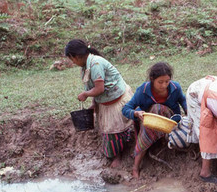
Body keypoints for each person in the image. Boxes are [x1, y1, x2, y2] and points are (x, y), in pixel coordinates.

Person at [65, 39, 134, 168]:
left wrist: (85, 95)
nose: (73, 62)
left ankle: (119, 155)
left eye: (72, 59)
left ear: (76, 56)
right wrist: (94, 104)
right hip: (105, 101)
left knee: (115, 131)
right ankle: (115, 153)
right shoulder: (85, 66)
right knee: (109, 131)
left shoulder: (95, 63)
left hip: (117, 99)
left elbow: (99, 89)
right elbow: (92, 87)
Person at [122, 62, 187, 178]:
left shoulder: (175, 88)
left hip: (170, 121)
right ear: (152, 79)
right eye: (160, 82)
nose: (164, 85)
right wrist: (136, 113)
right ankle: (136, 167)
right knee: (156, 109)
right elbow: (126, 109)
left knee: (159, 108)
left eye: (167, 81)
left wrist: (188, 113)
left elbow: (183, 101)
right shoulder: (143, 90)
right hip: (149, 124)